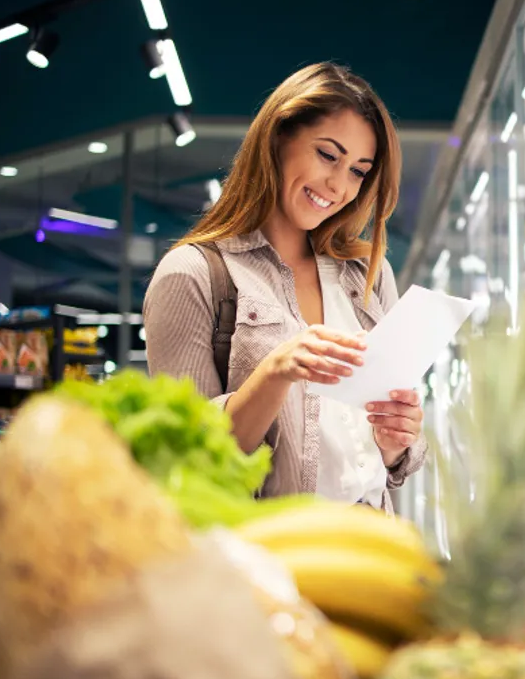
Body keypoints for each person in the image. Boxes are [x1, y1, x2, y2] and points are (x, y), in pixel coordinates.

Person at [144, 63, 425, 512]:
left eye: (358, 170)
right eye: (328, 155)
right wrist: (276, 372)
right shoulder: (193, 274)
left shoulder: (368, 275)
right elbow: (188, 463)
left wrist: (395, 440)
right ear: (278, 137)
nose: (338, 185)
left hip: (374, 548)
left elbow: (381, 466)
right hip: (270, 560)